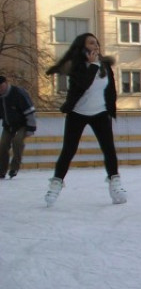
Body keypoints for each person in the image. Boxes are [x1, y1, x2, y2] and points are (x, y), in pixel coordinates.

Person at [43, 33, 126, 206]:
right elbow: (84, 84)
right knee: (69, 150)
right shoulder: (77, 66)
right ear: (83, 47)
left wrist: (111, 109)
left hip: (100, 113)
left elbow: (111, 90)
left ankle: (115, 183)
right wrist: (93, 65)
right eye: (91, 43)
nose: (95, 46)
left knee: (109, 149)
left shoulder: (104, 66)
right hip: (78, 113)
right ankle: (56, 183)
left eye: (97, 43)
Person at [0, 76, 37, 179]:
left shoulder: (18, 93)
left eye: (1, 87)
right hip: (8, 125)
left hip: (23, 124)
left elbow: (30, 111)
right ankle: (2, 170)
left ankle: (14, 168)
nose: (0, 90)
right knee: (2, 146)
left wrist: (31, 128)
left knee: (17, 142)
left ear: (6, 83)